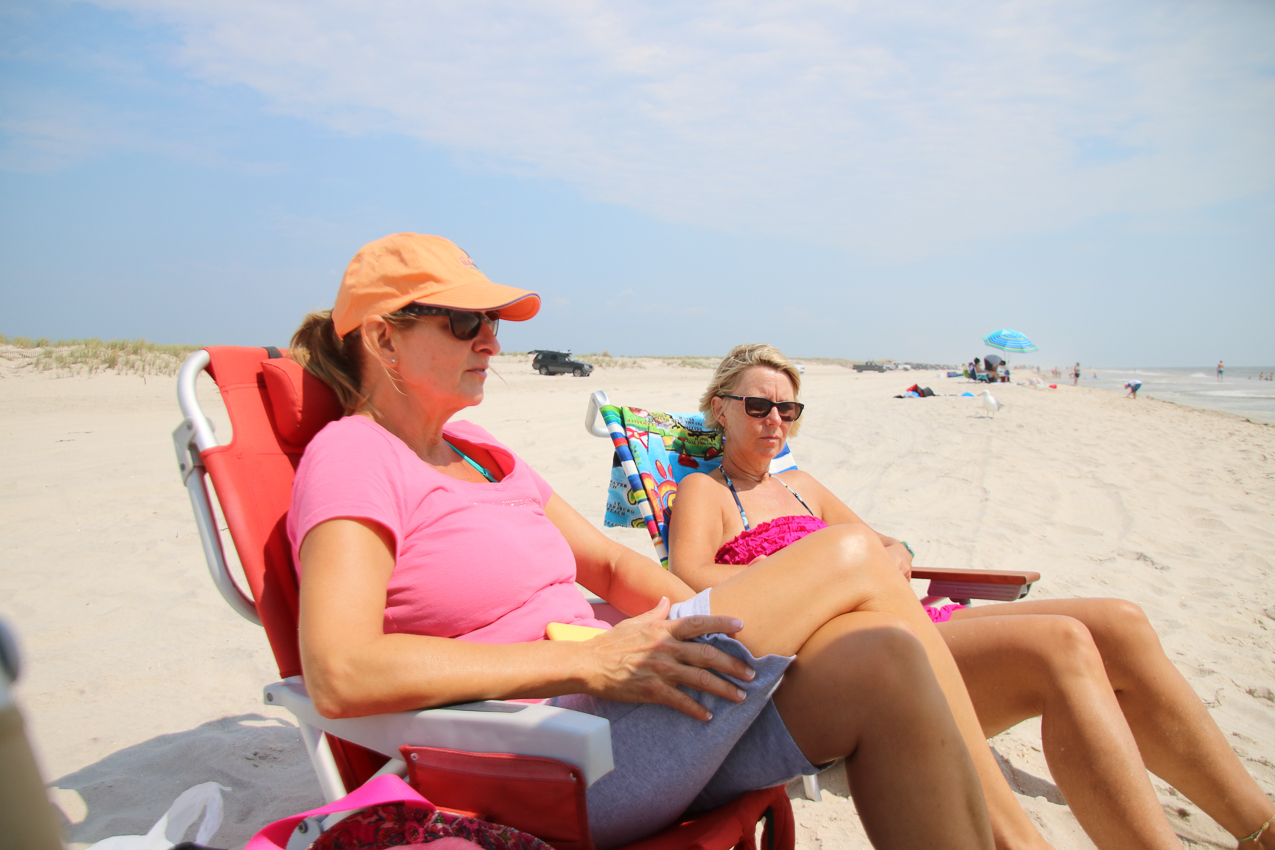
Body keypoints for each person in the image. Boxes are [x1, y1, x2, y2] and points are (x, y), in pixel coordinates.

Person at [286, 234, 997, 850]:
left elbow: (608, 563)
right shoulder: (355, 455)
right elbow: (341, 672)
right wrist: (588, 661)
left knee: (883, 657)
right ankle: (1017, 836)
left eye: (492, 322)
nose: (492, 342)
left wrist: (718, 614)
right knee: (849, 554)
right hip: (545, 747)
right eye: (465, 321)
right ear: (382, 338)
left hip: (631, 708)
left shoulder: (478, 450)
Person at [668, 343, 1275, 850]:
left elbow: (886, 543)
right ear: (720, 408)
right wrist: (797, 575)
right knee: (1062, 643)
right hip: (853, 663)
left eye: (788, 409)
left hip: (912, 623)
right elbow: (689, 576)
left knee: (1122, 621)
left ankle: (1259, 828)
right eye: (758, 406)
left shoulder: (804, 486)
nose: (775, 420)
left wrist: (896, 552)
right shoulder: (706, 491)